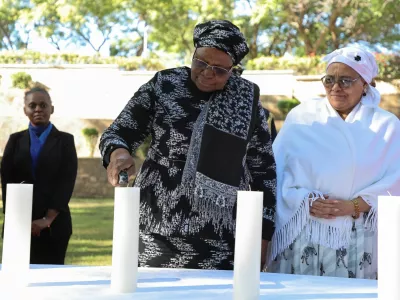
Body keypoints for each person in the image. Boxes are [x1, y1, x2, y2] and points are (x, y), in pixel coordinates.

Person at [100, 20, 276, 270]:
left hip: (221, 231)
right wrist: (118, 154)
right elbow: (118, 132)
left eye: (219, 69)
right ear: (193, 53)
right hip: (155, 222)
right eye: (201, 62)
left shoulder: (246, 100)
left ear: (233, 69)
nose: (207, 72)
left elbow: (264, 172)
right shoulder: (164, 84)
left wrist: (263, 235)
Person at [268, 46, 400, 279]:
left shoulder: (387, 125)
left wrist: (354, 206)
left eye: (346, 81)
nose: (335, 87)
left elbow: (395, 180)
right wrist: (304, 199)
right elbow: (277, 172)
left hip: (359, 234)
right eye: (329, 80)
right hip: (305, 230)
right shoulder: (302, 116)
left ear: (366, 84)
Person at [1, 87, 77, 264]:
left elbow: (66, 181)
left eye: (43, 105)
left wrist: (47, 219)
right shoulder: (15, 140)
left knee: (50, 279)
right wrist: (17, 219)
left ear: (51, 108)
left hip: (54, 225)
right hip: (20, 224)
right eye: (32, 105)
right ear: (25, 110)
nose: (38, 109)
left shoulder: (65, 141)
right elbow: (7, 181)